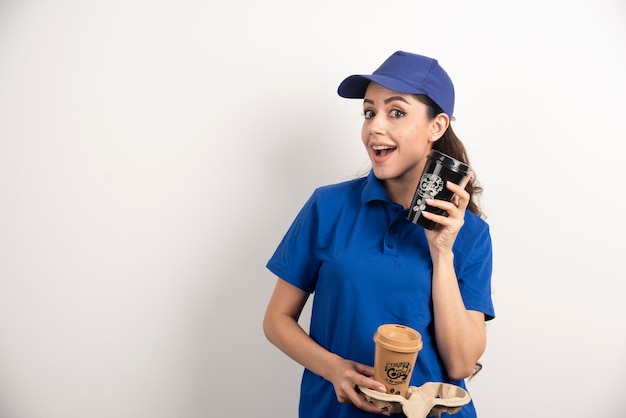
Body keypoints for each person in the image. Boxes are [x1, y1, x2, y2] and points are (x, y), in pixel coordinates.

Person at [263, 50, 495, 418]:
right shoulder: (328, 207)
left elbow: (461, 364)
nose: (375, 127)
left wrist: (442, 252)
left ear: (437, 126)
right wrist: (332, 368)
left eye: (396, 112)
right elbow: (276, 319)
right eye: (369, 112)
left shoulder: (470, 233)